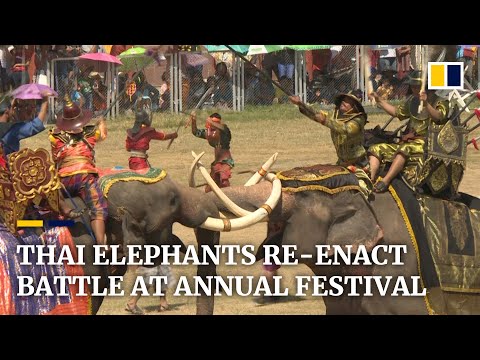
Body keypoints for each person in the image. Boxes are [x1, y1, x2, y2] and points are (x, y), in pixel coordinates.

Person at [367, 70, 449, 192]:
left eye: (417, 87)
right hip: (408, 142)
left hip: (426, 144)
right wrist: (380, 101)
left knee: (404, 150)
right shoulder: (412, 101)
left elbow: (438, 116)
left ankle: (385, 181)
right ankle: (370, 179)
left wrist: (426, 103)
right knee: (376, 149)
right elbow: (396, 112)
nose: (414, 89)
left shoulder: (441, 101)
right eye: (412, 86)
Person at [49, 95, 108, 244]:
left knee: (50, 196)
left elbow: (55, 158)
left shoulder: (55, 137)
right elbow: (103, 135)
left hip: (63, 179)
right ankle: (101, 244)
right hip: (85, 177)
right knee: (98, 210)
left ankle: (64, 212)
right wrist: (101, 122)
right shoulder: (90, 134)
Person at [289, 93, 372, 196]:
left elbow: (344, 128)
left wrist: (324, 120)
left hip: (358, 165)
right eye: (343, 100)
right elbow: (316, 115)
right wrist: (300, 104)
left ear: (354, 107)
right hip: (341, 163)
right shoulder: (334, 115)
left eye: (348, 101)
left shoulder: (358, 120)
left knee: (361, 190)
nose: (343, 102)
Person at [125, 99, 178, 170]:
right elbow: (163, 136)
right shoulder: (148, 131)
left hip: (131, 162)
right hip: (141, 163)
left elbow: (128, 148)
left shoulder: (130, 133)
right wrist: (173, 135)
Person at [191, 112, 234, 192]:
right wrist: (194, 120)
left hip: (225, 161)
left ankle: (229, 195)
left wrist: (212, 122)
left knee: (224, 182)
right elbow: (196, 132)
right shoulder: (209, 133)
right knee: (211, 186)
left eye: (215, 123)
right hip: (216, 163)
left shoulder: (224, 131)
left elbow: (222, 127)